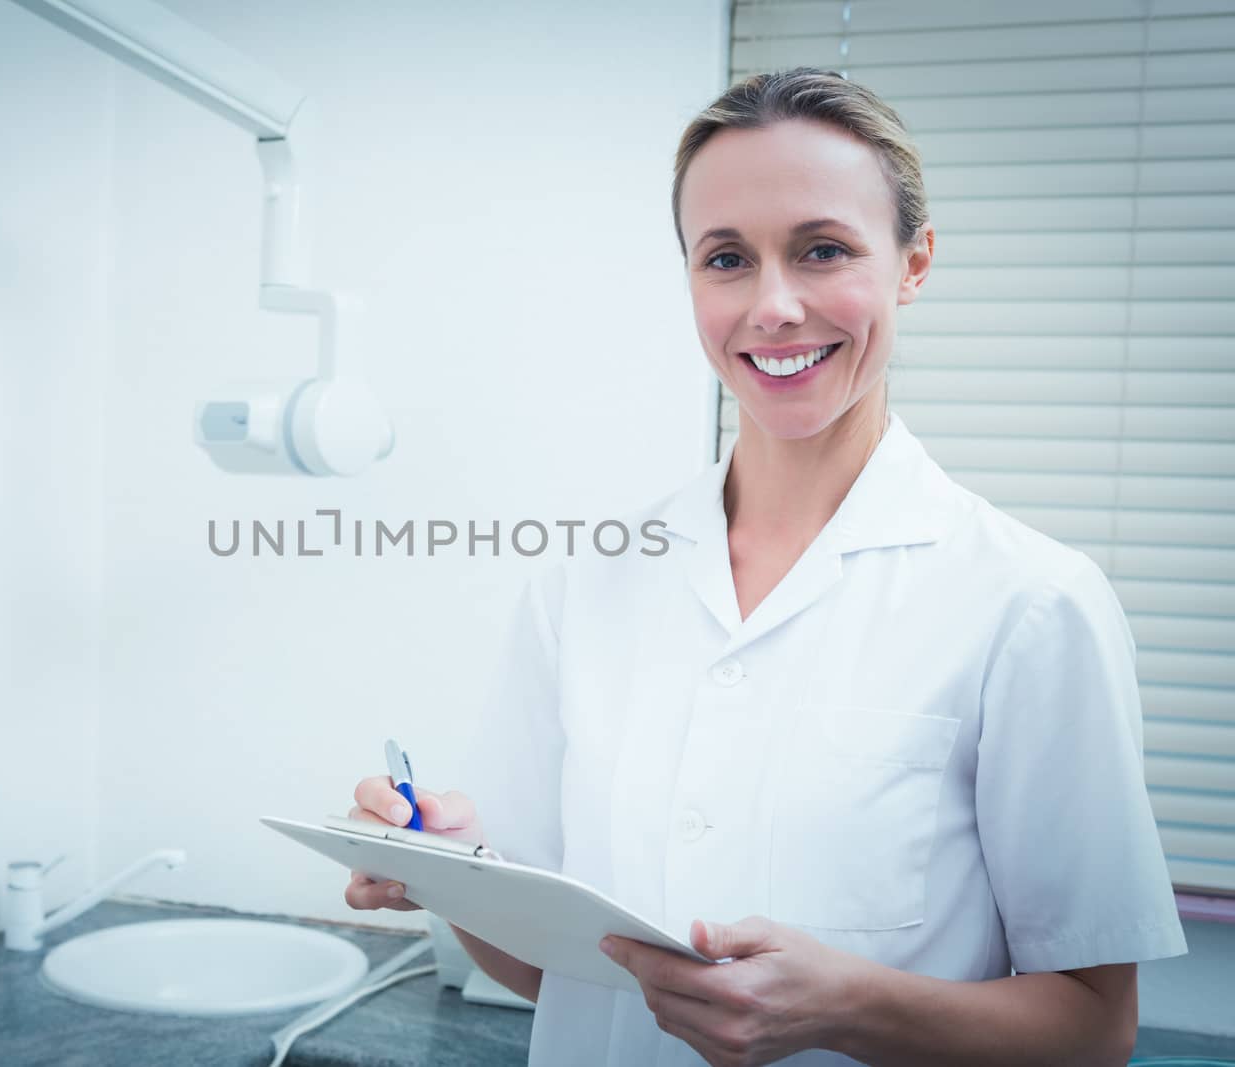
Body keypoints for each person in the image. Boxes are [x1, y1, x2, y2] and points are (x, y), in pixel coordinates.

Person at [343, 67, 1188, 1066]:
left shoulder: (1032, 603)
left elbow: (1094, 1031)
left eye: (822, 249)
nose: (773, 305)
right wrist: (442, 870)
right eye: (727, 259)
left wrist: (845, 1007)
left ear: (913, 262)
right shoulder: (588, 578)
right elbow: (553, 967)